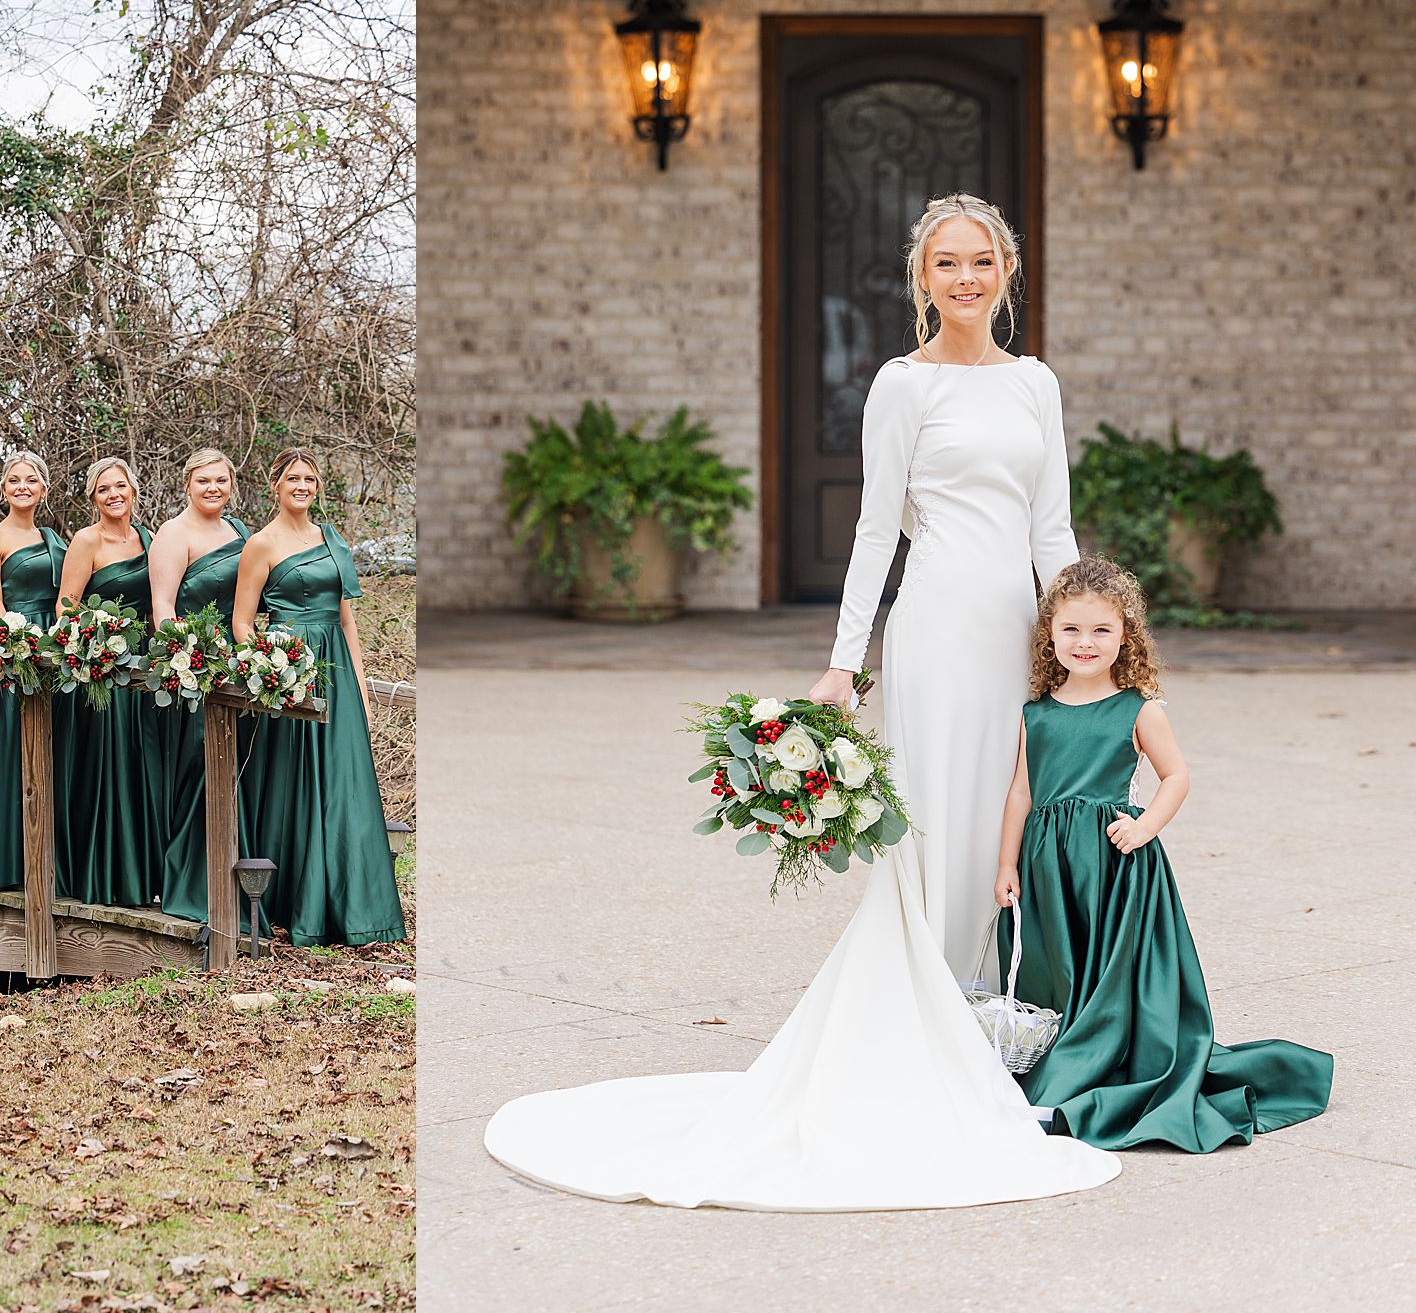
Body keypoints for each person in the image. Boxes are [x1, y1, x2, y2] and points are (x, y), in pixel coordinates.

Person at [483, 194, 1121, 1209]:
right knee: (939, 828)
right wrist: (842, 660)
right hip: (936, 635)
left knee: (1020, 818)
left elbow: (1053, 527)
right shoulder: (900, 386)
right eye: (945, 263)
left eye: (981, 262)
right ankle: (934, 1027)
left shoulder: (1035, 384)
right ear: (922, 279)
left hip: (1020, 631)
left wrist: (1086, 645)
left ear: (1005, 273)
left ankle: (1005, 1023)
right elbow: (874, 531)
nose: (965, 278)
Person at [994, 557, 1333, 1150]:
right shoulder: (1035, 713)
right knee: (1060, 972)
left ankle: (1079, 1079)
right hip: (1049, 865)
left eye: (1101, 630)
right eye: (1071, 629)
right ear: (1050, 633)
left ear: (1126, 635)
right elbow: (1021, 792)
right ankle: (1057, 1061)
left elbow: (1175, 776)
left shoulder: (1137, 708)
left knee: (1108, 975)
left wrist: (1145, 826)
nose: (1085, 642)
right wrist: (1006, 864)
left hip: (1115, 864)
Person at [232, 448, 405, 947]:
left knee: (345, 781)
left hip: (337, 670)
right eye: (292, 478)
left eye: (309, 478)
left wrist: (362, 687)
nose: (302, 485)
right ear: (275, 485)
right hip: (290, 669)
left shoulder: (332, 540)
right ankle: (293, 903)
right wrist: (271, 667)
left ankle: (355, 908)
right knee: (294, 782)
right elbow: (244, 621)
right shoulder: (261, 545)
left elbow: (346, 618)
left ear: (318, 487)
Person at [54, 456, 168, 906]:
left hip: (143, 669)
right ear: (93, 497)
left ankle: (145, 878)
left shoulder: (149, 538)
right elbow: (65, 606)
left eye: (120, 486)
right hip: (102, 672)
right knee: (106, 768)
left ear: (133, 490)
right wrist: (95, 639)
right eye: (104, 489)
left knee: (145, 766)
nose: (114, 495)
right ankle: (101, 877)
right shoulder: (87, 541)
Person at [149, 449, 257, 925]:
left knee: (234, 771)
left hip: (236, 669)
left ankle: (234, 885)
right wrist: (190, 659)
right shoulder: (173, 534)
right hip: (191, 673)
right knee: (197, 772)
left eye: (221, 480)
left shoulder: (239, 534)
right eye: (204, 481)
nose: (213, 488)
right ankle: (190, 887)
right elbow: (163, 608)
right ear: (187, 484)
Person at [0, 452, 65, 891]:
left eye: (31, 480)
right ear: (3, 489)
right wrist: (16, 641)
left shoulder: (54, 539)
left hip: (54, 647)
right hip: (15, 647)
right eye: (14, 480)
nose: (22, 486)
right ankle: (3, 863)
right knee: (11, 745)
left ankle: (50, 863)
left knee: (53, 747)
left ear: (43, 489)